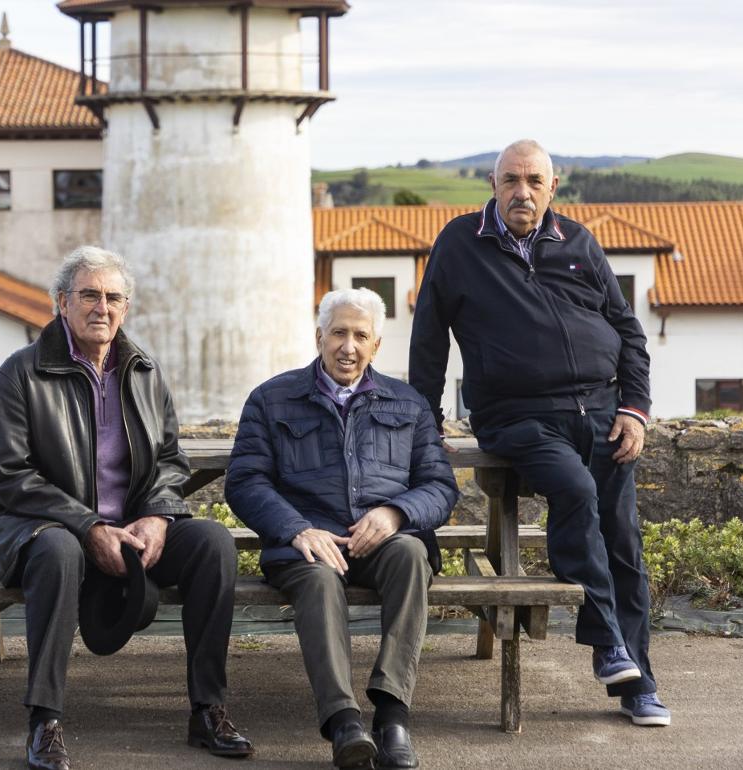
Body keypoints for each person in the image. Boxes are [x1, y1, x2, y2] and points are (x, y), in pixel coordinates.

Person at [408, 139, 669, 727]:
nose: (521, 192)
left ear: (553, 187)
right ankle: (609, 646)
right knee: (574, 490)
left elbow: (628, 332)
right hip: (517, 416)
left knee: (624, 546)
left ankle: (639, 685)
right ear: (493, 184)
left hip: (602, 415)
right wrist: (424, 425)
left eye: (533, 181)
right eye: (509, 180)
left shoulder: (578, 242)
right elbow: (428, 339)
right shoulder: (458, 243)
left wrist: (635, 408)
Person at [0, 246, 254, 770]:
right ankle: (44, 721)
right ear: (62, 302)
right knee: (59, 550)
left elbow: (173, 459)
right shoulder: (20, 373)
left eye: (112, 297)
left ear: (125, 308)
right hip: (47, 529)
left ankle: (208, 709)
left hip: (132, 529)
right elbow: (11, 476)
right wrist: (88, 527)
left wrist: (156, 516)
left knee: (212, 543)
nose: (101, 307)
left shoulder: (144, 371)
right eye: (88, 295)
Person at [226, 288, 457, 770]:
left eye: (360, 335)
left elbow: (439, 485)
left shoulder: (408, 402)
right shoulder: (271, 399)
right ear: (318, 338)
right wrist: (296, 528)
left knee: (412, 556)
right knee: (318, 579)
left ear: (375, 347)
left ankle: (392, 715)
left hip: (383, 540)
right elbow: (245, 481)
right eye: (337, 333)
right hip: (307, 544)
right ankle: (344, 721)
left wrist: (395, 513)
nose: (347, 346)